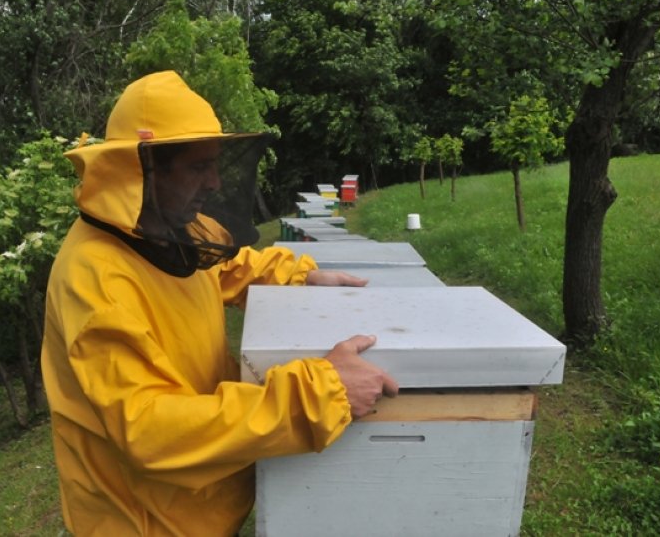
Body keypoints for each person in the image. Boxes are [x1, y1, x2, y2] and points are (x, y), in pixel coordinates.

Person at [40, 71, 398, 536]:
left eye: (214, 164)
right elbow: (150, 431)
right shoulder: (96, 283)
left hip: (200, 504)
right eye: (196, 167)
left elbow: (226, 265)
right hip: (141, 521)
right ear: (143, 171)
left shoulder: (178, 226)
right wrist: (319, 393)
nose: (212, 182)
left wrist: (301, 274)